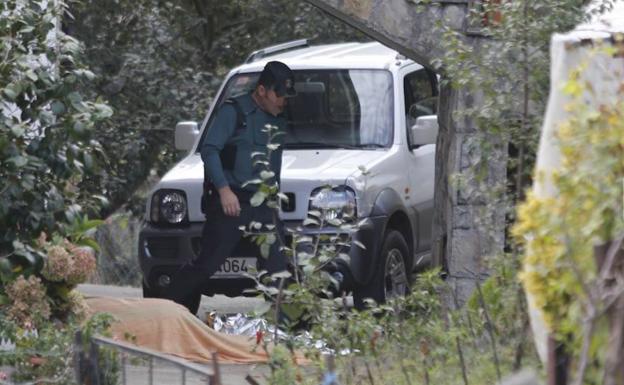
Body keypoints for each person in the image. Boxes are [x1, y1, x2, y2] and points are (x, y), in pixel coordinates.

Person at [168, 61, 296, 314]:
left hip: (263, 204)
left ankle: (289, 330)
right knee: (207, 265)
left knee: (279, 267)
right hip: (232, 202)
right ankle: (167, 309)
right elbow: (210, 149)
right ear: (261, 91)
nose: (283, 100)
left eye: (286, 95)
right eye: (278, 94)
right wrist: (225, 190)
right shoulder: (233, 112)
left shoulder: (279, 118)